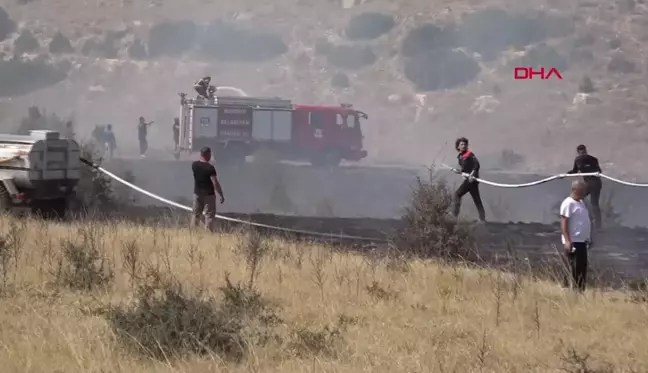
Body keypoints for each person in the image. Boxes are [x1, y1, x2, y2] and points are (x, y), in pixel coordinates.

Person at [560, 180, 592, 292]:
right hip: (573, 242)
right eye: (582, 191)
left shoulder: (581, 203)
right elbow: (564, 222)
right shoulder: (568, 203)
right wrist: (567, 241)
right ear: (575, 190)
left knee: (582, 269)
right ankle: (569, 290)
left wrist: (588, 238)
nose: (584, 193)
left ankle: (580, 292)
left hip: (582, 241)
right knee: (573, 268)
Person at [566, 144, 602, 229]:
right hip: (587, 184)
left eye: (584, 152)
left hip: (595, 184)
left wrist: (594, 172)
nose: (583, 154)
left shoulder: (593, 159)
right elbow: (575, 170)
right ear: (578, 153)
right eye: (581, 153)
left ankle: (598, 225)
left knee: (594, 203)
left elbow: (599, 171)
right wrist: (566, 174)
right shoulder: (578, 160)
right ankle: (581, 218)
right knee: (577, 198)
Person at [451, 137, 486, 222]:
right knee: (477, 199)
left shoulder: (469, 154)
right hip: (469, 180)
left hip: (472, 180)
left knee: (457, 194)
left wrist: (472, 174)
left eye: (465, 144)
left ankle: (454, 216)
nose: (464, 146)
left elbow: (476, 165)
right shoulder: (460, 157)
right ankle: (482, 219)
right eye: (462, 144)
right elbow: (465, 169)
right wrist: (460, 172)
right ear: (458, 146)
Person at [191, 147, 225, 231]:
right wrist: (221, 194)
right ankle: (208, 234)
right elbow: (215, 183)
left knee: (195, 214)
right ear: (207, 154)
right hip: (208, 195)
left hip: (197, 194)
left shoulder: (194, 165)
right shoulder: (210, 168)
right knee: (209, 215)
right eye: (210, 154)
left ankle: (192, 232)